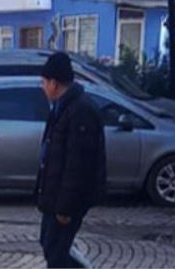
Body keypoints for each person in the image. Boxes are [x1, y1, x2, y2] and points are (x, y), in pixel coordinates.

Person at [36, 52, 106, 268]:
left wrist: (65, 208)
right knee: (50, 245)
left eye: (44, 82)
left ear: (55, 83)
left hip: (67, 201)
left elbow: (78, 166)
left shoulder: (80, 111)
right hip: (54, 196)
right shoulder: (61, 107)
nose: (42, 87)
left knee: (57, 253)